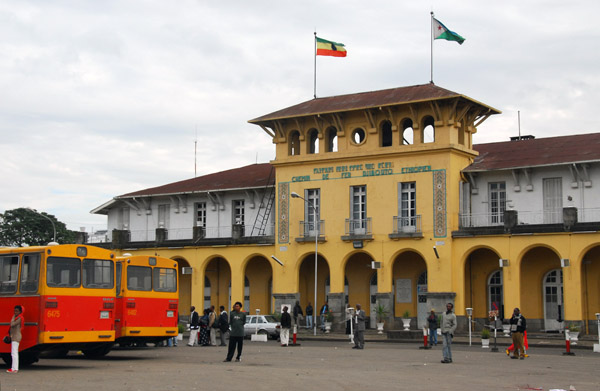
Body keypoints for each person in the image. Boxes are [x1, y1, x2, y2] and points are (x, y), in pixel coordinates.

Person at [7, 305, 23, 374]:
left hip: (16, 337)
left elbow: (12, 324)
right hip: (15, 336)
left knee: (14, 353)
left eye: (17, 311)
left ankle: (14, 368)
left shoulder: (19, 318)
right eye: (14, 311)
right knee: (14, 353)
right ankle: (14, 367)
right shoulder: (18, 317)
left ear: (20, 311)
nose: (15, 312)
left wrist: (13, 317)